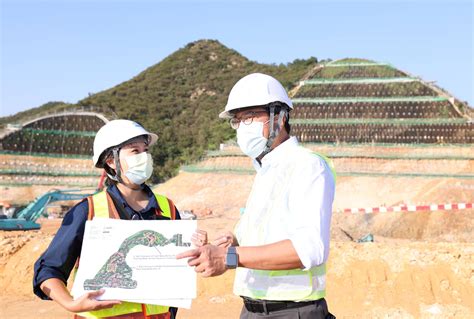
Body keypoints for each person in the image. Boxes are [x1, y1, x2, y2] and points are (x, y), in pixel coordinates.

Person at [178, 73, 336, 319]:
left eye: (250, 116)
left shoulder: (307, 166)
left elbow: (309, 250)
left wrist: (229, 256)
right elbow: (251, 241)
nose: (242, 127)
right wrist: (228, 243)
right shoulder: (264, 171)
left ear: (280, 117)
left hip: (292, 311)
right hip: (251, 309)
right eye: (237, 120)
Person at [34, 119, 195, 319]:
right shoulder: (88, 211)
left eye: (146, 150)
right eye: (135, 151)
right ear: (111, 161)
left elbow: (178, 266)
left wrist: (195, 248)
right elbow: (49, 269)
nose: (144, 157)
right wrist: (71, 304)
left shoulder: (168, 208)